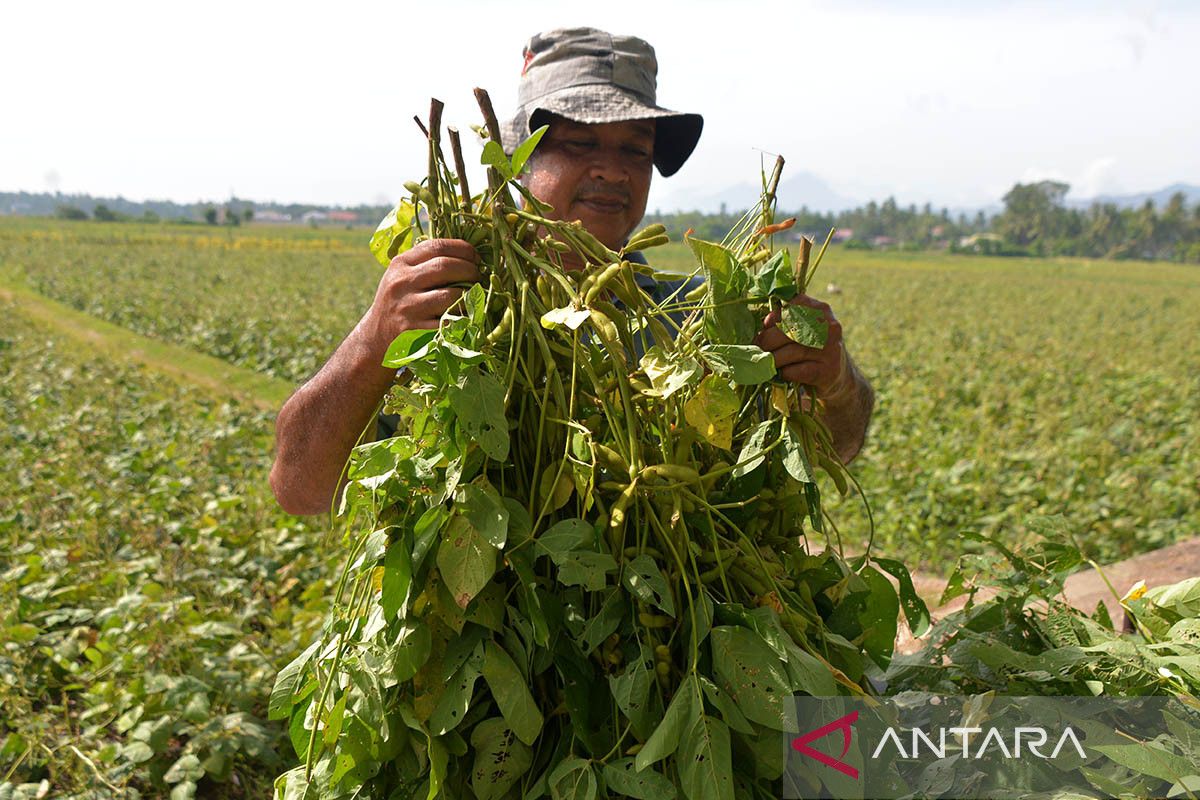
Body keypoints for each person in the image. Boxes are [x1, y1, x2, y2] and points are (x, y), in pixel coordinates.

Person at [269, 27, 874, 517]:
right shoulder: (450, 314)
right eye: (580, 143)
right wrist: (375, 339)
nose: (614, 171)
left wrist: (834, 381)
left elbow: (838, 449)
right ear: (518, 159)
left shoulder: (696, 317)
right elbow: (300, 491)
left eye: (635, 150)